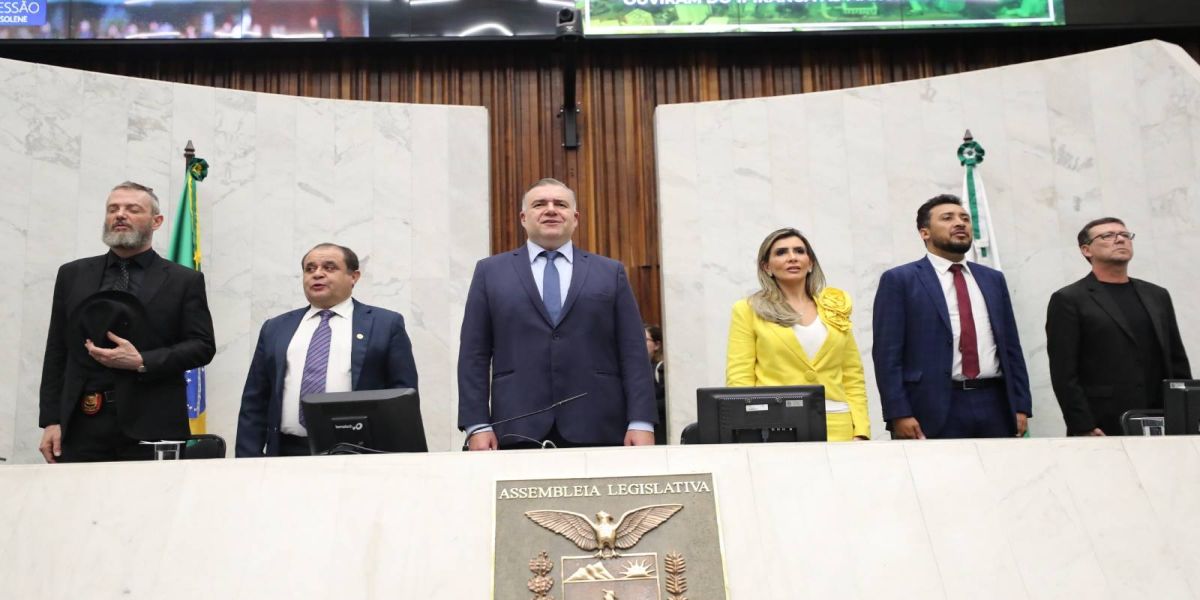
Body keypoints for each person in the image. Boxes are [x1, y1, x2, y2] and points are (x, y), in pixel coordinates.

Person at [458, 178, 657, 450]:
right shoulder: (489, 273)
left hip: (599, 426)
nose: (551, 210)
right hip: (516, 426)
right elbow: (474, 354)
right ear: (523, 218)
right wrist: (476, 424)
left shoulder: (611, 273)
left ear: (575, 218)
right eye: (540, 204)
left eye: (560, 204)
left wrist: (641, 421)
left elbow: (633, 352)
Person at [37, 181, 216, 463]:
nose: (120, 215)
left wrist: (142, 360)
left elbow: (203, 346)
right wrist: (50, 420)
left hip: (154, 424)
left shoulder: (184, 280)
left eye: (132, 209)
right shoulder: (73, 275)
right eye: (113, 209)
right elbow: (57, 350)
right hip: (82, 423)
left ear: (156, 221)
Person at [235, 243, 419, 457]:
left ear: (354, 276)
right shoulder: (276, 328)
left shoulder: (385, 324)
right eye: (310, 269)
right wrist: (247, 459)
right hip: (287, 452)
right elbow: (255, 400)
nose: (317, 274)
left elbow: (402, 397)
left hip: (360, 453)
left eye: (329, 268)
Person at [872, 194, 1031, 439]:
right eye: (947, 218)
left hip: (996, 404)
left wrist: (1021, 405)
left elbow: (1011, 346)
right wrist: (898, 412)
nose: (960, 223)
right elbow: (887, 355)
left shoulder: (992, 279)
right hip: (931, 407)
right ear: (925, 232)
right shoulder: (900, 280)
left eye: (964, 218)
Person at [1046, 218, 1191, 436]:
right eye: (1108, 236)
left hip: (1164, 417)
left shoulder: (1157, 295)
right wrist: (1082, 425)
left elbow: (1176, 359)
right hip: (1103, 421)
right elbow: (1064, 372)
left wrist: (1188, 413)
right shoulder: (1069, 299)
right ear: (1086, 250)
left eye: (1125, 235)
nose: (1120, 239)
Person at [725, 228, 870, 441]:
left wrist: (861, 431)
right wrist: (747, 432)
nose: (792, 257)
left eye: (800, 251)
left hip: (839, 428)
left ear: (810, 263)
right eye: (781, 252)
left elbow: (852, 375)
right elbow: (740, 378)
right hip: (775, 428)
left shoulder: (834, 307)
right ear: (767, 267)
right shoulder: (747, 309)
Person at [645, 324, 667, 444]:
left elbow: (670, 402)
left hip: (660, 434)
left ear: (657, 345)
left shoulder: (661, 369)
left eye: (645, 340)